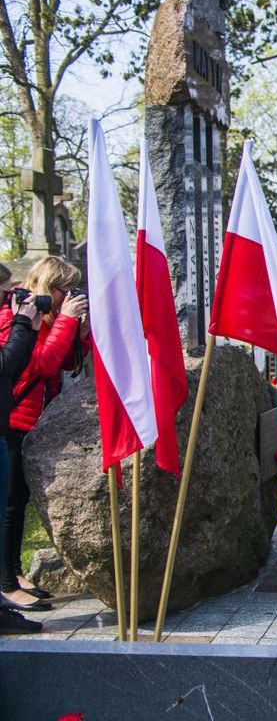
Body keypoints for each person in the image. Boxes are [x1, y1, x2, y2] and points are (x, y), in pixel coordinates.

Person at [1, 256, 89, 614]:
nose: (67, 296)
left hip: (32, 420)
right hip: (13, 420)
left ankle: (14, 572)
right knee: (9, 505)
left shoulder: (44, 316)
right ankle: (6, 584)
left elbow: (66, 363)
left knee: (16, 502)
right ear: (49, 286)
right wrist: (66, 320)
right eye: (64, 290)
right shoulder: (15, 314)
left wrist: (78, 333)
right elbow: (41, 364)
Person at [0, 264, 42, 634]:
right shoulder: (10, 323)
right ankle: (6, 585)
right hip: (10, 424)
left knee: (6, 512)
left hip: (6, 426)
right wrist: (21, 326)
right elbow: (8, 366)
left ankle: (4, 595)